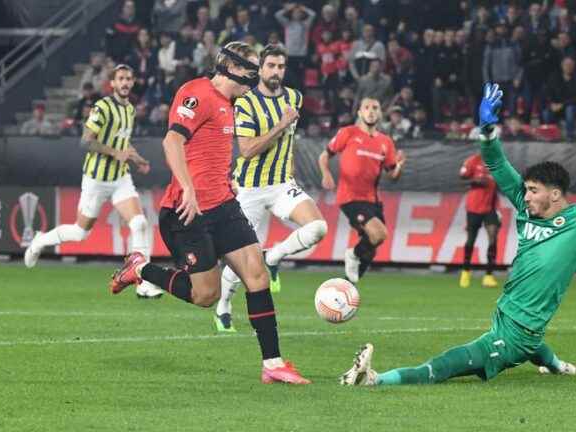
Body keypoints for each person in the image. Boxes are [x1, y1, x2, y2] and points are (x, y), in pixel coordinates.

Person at [340, 82, 576, 387]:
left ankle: (375, 379)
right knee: (539, 347)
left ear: (555, 195)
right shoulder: (527, 210)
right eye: (524, 190)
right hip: (508, 316)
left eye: (533, 190)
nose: (524, 197)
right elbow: (496, 163)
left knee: (448, 363)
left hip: (515, 336)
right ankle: (556, 365)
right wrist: (488, 130)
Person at [108, 42, 310, 384]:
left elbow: (212, 152)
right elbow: (172, 142)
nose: (257, 74)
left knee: (257, 276)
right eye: (252, 67)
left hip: (223, 206)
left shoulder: (232, 104)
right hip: (186, 211)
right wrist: (187, 186)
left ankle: (273, 364)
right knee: (206, 295)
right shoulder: (196, 93)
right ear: (233, 67)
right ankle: (140, 268)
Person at [214, 45, 328, 333]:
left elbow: (290, 139)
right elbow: (248, 150)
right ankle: (223, 306)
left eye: (281, 66)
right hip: (249, 189)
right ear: (260, 69)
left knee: (317, 228)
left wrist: (288, 163)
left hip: (280, 185)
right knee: (242, 265)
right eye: (271, 66)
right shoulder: (246, 102)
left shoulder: (294, 98)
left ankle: (273, 256)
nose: (276, 71)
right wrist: (281, 123)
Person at [24, 64, 164, 299]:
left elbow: (123, 143)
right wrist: (112, 152)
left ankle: (143, 282)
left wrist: (137, 159)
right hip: (96, 179)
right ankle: (40, 240)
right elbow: (86, 140)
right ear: (113, 83)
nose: (126, 83)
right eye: (121, 78)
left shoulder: (129, 109)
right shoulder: (102, 107)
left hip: (120, 177)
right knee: (80, 233)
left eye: (129, 79)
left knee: (139, 223)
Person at [318, 98, 406, 284]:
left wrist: (399, 167)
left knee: (372, 246)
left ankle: (349, 287)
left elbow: (392, 176)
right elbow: (324, 155)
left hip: (372, 200)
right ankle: (352, 254)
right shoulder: (348, 133)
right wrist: (326, 174)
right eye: (367, 108)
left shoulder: (385, 142)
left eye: (375, 108)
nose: (371, 111)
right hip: (350, 197)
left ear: (380, 113)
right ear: (359, 112)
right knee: (379, 234)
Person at [458, 151, 500, 289]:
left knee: (493, 237)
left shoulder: (498, 162)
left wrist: (497, 209)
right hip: (474, 207)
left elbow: (500, 185)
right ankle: (465, 271)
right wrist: (475, 181)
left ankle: (488, 276)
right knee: (471, 239)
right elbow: (461, 176)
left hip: (490, 207)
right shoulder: (473, 160)